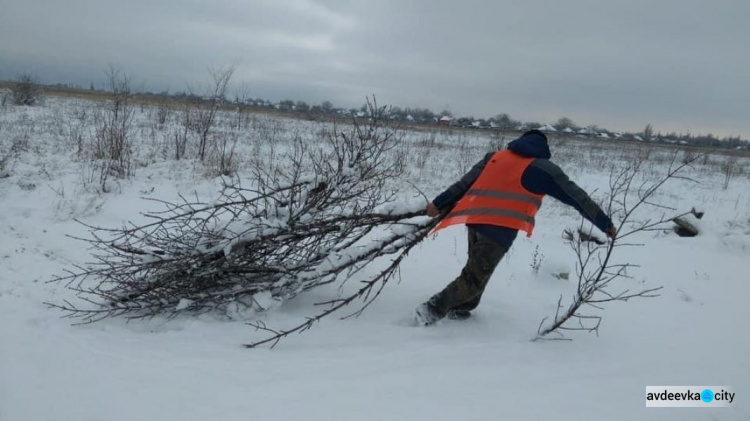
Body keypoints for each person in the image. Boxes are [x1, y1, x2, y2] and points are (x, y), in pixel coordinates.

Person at [415, 130, 617, 326]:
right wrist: (605, 223)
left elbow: (463, 185)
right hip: (498, 230)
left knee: (475, 270)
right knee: (473, 279)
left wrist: (438, 203)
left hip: (474, 222)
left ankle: (463, 307)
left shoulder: (494, 158)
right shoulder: (544, 169)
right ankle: (429, 311)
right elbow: (577, 198)